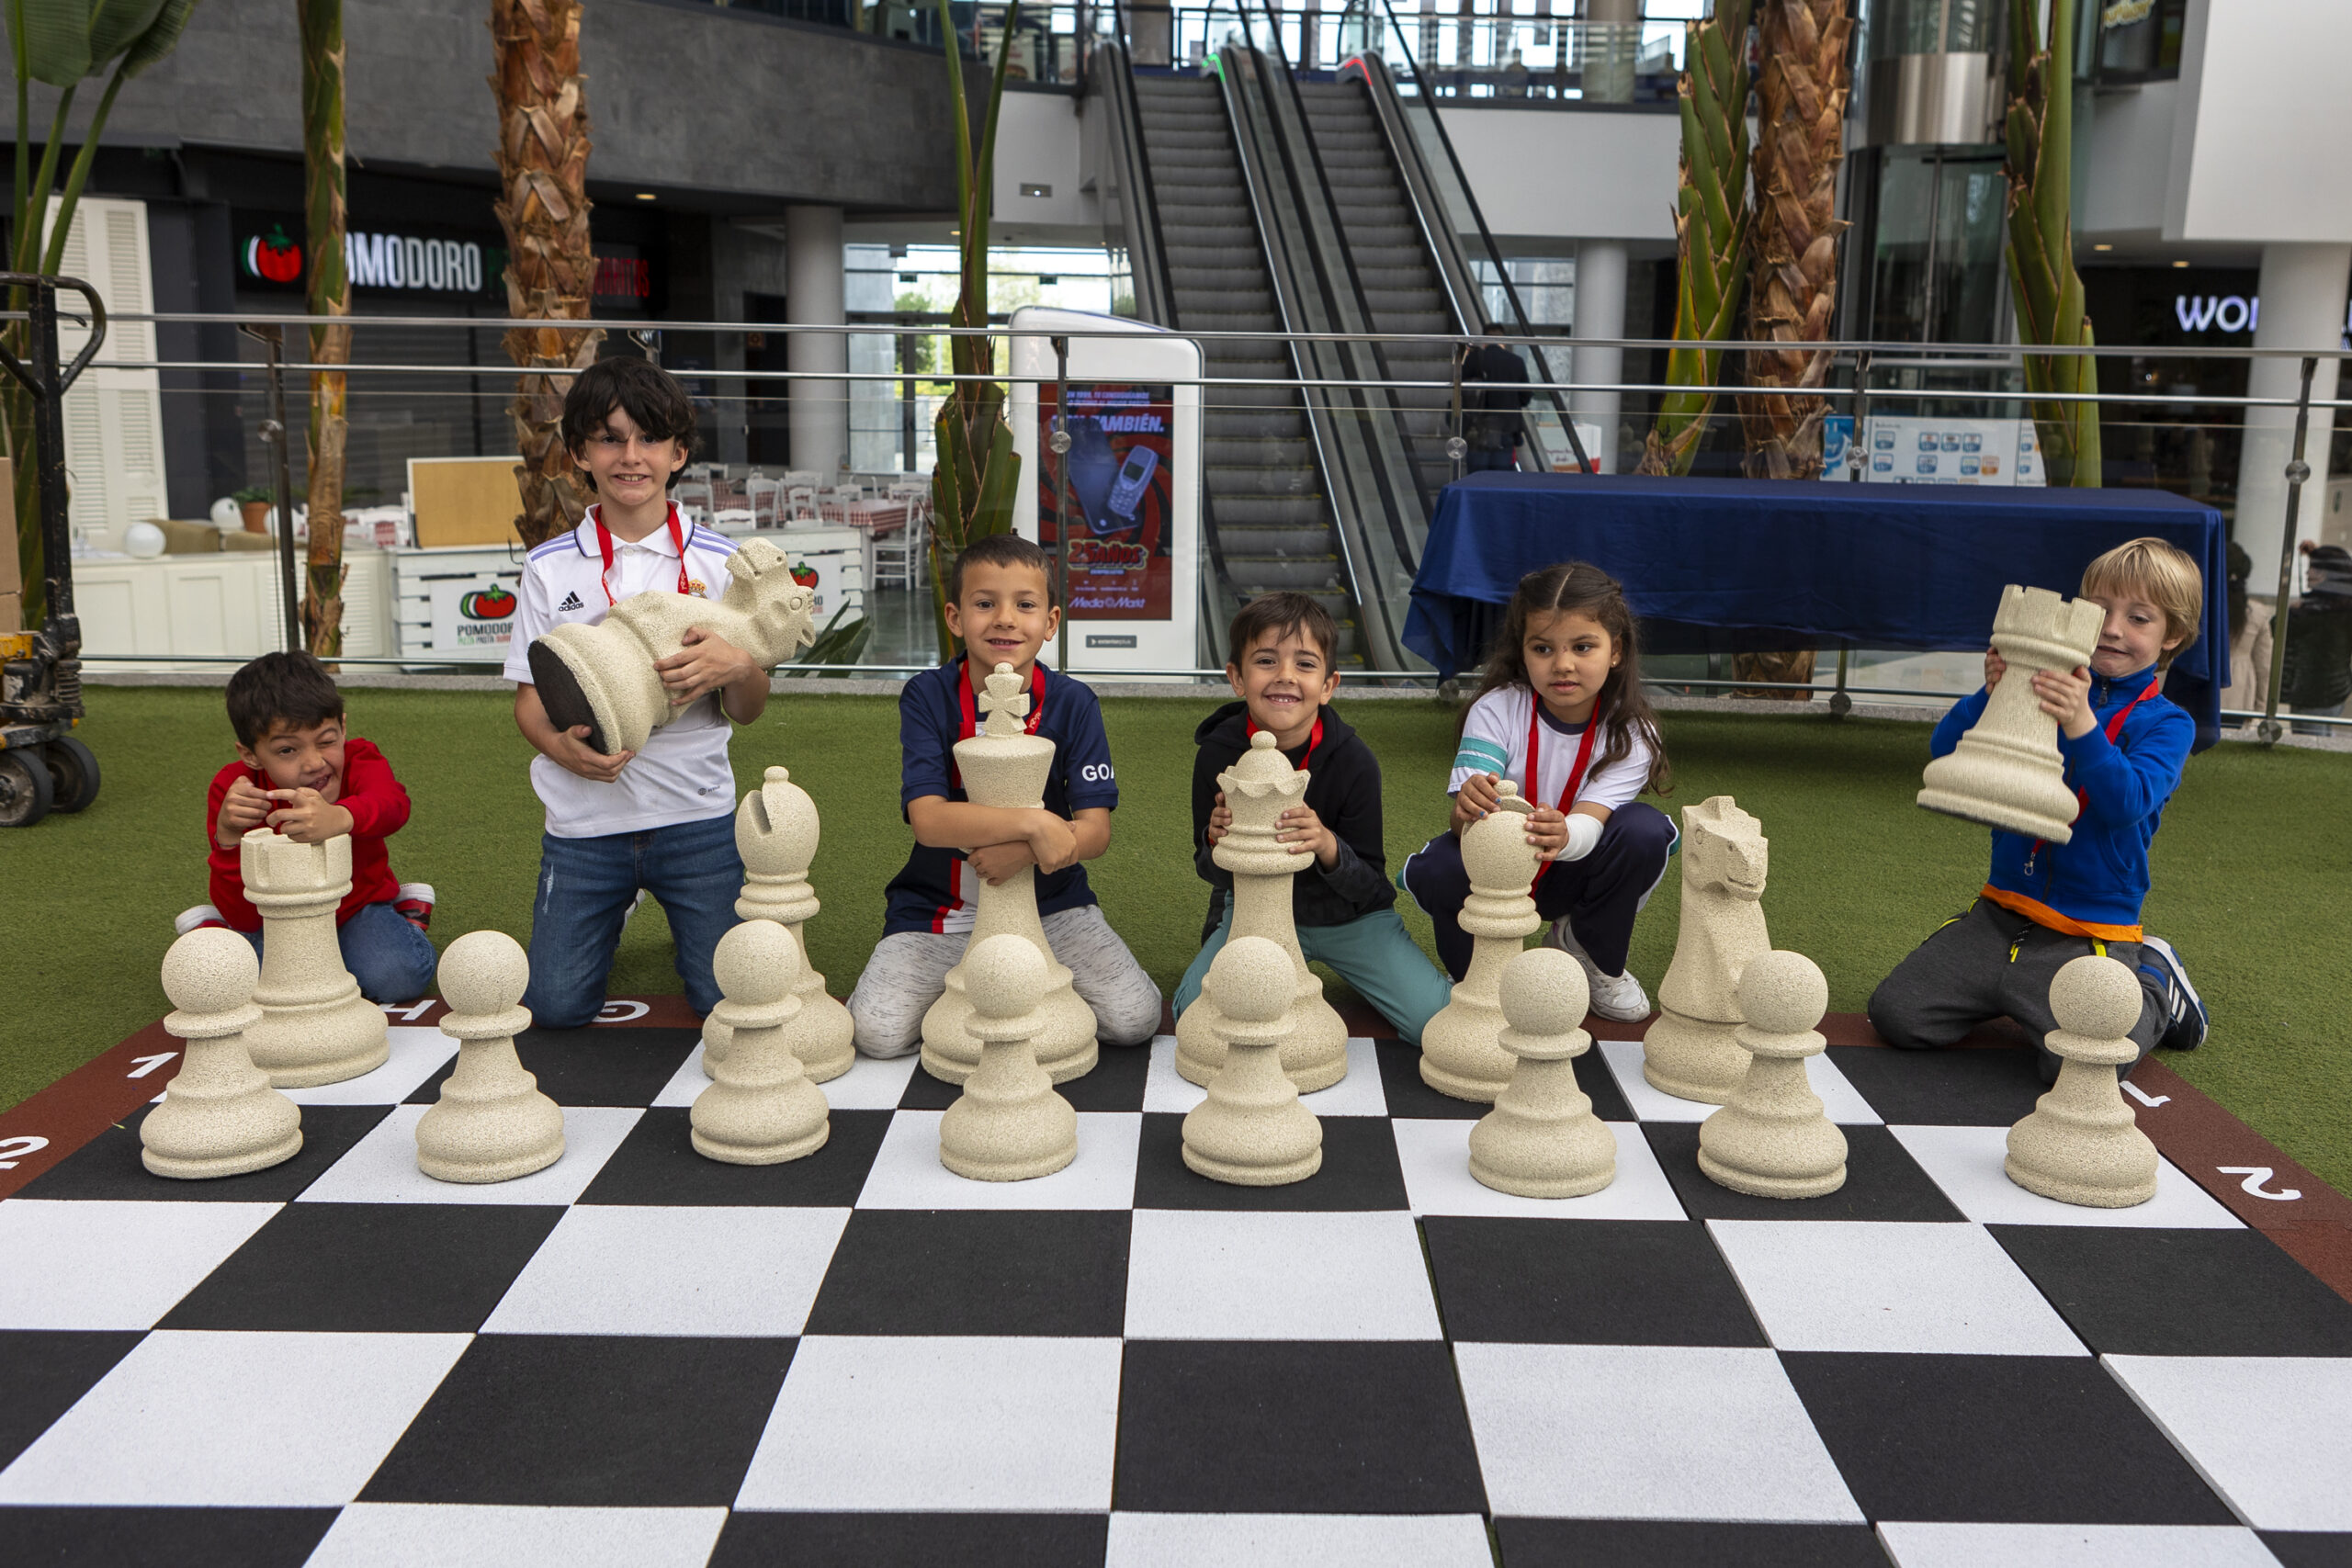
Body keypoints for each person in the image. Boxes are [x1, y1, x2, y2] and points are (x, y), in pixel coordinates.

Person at [1869, 536, 2211, 1079]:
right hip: (2001, 912)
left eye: (2139, 618)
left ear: (2172, 636)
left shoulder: (2169, 723)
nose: (2112, 628)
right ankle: (1990, 975)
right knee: (1898, 1016)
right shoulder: (2042, 682)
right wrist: (1990, 695)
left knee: (2078, 1067)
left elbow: (2125, 803)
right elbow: (1947, 753)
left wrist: (2081, 724)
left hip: (2090, 930)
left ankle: (2153, 981)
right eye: (2099, 609)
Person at [503, 355, 773, 1028]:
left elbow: (748, 710)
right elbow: (530, 701)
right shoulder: (546, 567)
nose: (631, 457)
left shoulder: (720, 563)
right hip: (585, 823)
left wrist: (740, 667)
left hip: (697, 817)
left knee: (726, 1002)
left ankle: (669, 906)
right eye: (610, 439)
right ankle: (610, 903)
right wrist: (560, 749)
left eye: (650, 438)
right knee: (556, 1007)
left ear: (678, 453)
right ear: (579, 454)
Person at [847, 532, 1161, 1056]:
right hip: (941, 911)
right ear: (955, 617)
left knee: (1134, 1019)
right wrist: (1034, 826)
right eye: (985, 603)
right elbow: (929, 821)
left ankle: (1004, 990)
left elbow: (1095, 832)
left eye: (1025, 605)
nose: (1005, 619)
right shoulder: (927, 696)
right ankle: (976, 982)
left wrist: (1023, 852)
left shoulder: (1073, 703)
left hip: (1052, 905)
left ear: (1051, 622)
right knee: (877, 1033)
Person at [1401, 561, 1677, 1021]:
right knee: (1441, 866)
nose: (1562, 664)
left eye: (1583, 647)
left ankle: (1585, 947)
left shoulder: (1633, 731)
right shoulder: (1495, 709)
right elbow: (1464, 828)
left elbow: (1591, 821)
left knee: (1644, 830)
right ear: (1523, 651)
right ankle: (1476, 972)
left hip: (1576, 867)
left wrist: (1564, 834)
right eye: (1543, 648)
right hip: (1496, 864)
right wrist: (1469, 807)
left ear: (1616, 651)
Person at [1173, 592, 1453, 1043]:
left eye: (1305, 664)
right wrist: (1216, 840)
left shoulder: (1354, 761)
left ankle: (1371, 974)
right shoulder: (1217, 754)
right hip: (1254, 912)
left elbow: (1371, 886)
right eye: (1266, 660)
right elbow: (1209, 871)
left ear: (1328, 685)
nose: (1285, 675)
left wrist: (1326, 845)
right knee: (1195, 1017)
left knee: (1434, 1024)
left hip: (1350, 919)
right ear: (1237, 677)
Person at [180, 650, 437, 1003]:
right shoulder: (237, 791)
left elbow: (393, 805)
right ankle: (218, 931)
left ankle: (403, 919)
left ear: (343, 727)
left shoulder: (361, 759)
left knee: (398, 978)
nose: (315, 763)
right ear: (251, 754)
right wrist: (228, 838)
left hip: (354, 909)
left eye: (327, 741)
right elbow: (245, 913)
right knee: (238, 986)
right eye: (288, 750)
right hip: (273, 921)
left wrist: (339, 817)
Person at [2278, 540, 2352, 737]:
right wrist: (2318, 553)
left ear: (2327, 576)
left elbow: (2277, 628)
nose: (2307, 573)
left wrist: (2291, 610)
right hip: (2337, 691)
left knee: (2310, 743)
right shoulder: (2343, 607)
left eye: (2314, 569)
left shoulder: (2309, 613)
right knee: (2325, 740)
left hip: (2310, 696)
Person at [1459, 329, 1532, 474]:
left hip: (1477, 429)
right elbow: (1525, 396)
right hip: (1506, 429)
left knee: (1477, 477)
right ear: (1503, 342)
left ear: (1484, 343)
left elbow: (1461, 390)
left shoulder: (1474, 359)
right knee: (1501, 477)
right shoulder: (1516, 361)